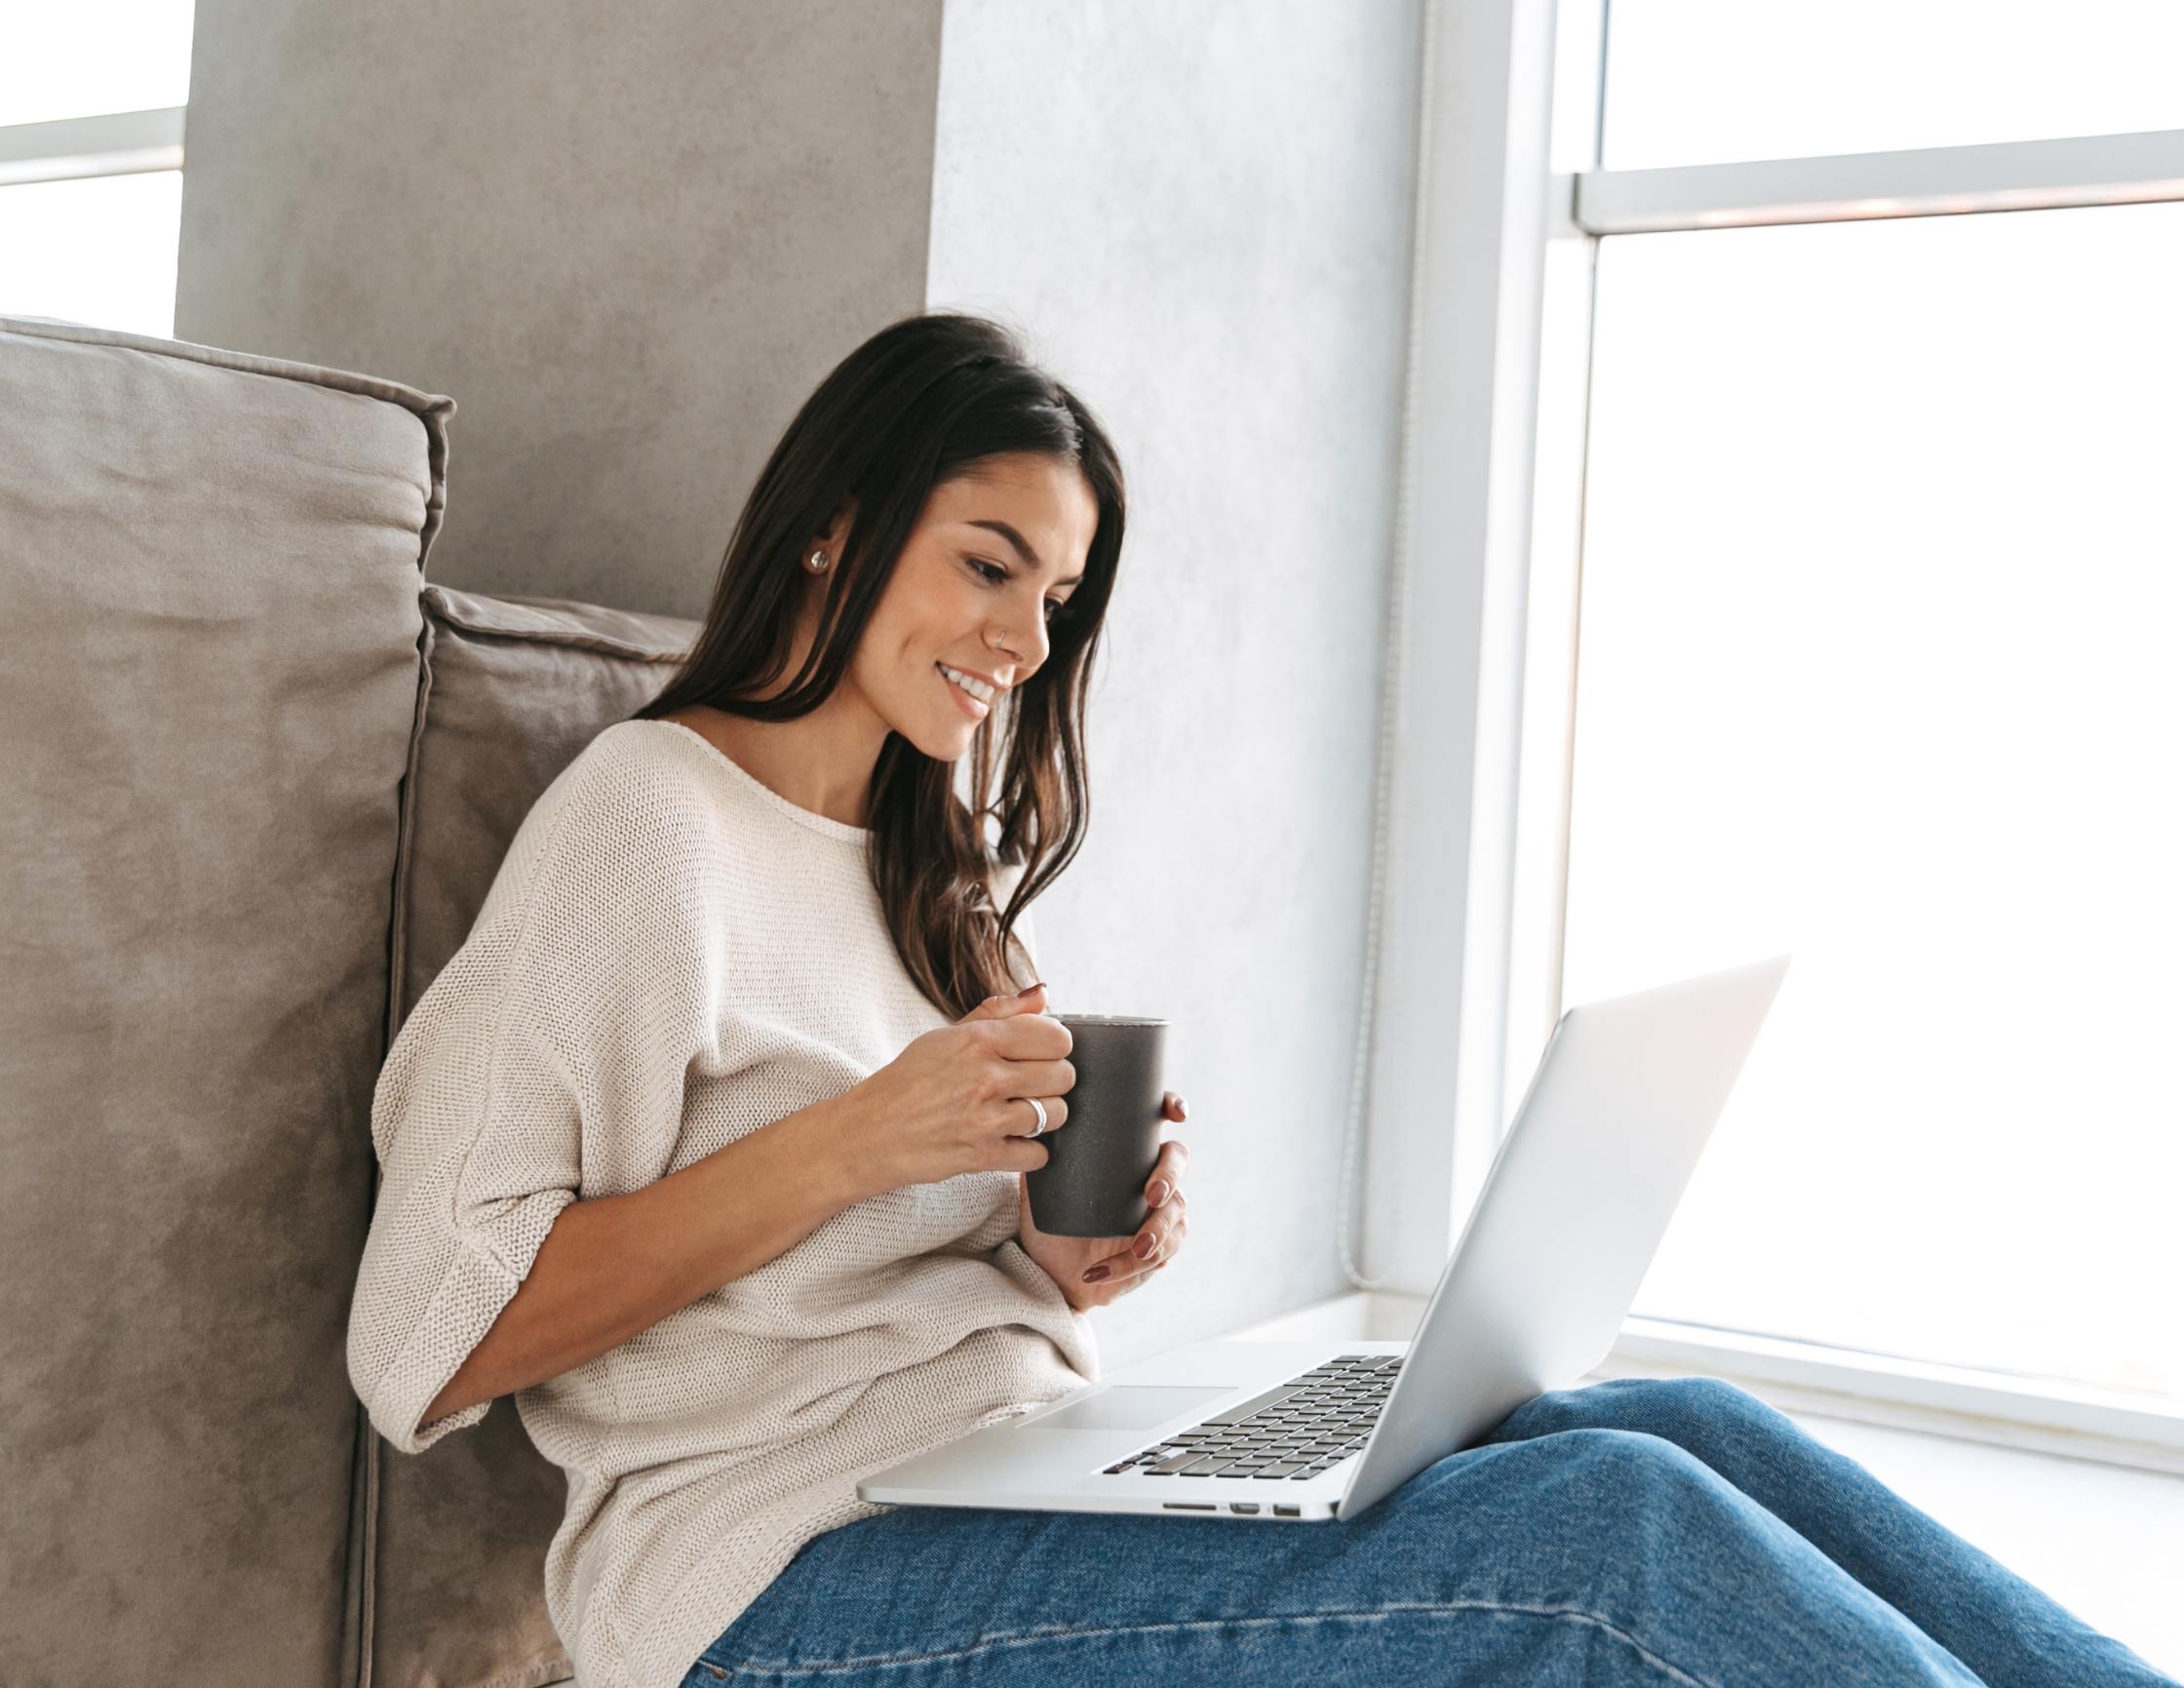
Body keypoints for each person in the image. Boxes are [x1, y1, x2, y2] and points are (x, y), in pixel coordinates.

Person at [349, 311, 2175, 1688]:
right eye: (989, 563)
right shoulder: (646, 827)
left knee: (1681, 1427)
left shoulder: (934, 861)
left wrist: (1054, 1255)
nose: (1023, 639)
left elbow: (902, 1267)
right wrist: (858, 1144)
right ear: (836, 526)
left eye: (1055, 598)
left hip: (1021, 1465)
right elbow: (428, 1338)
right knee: (1613, 1537)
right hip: (772, 1580)